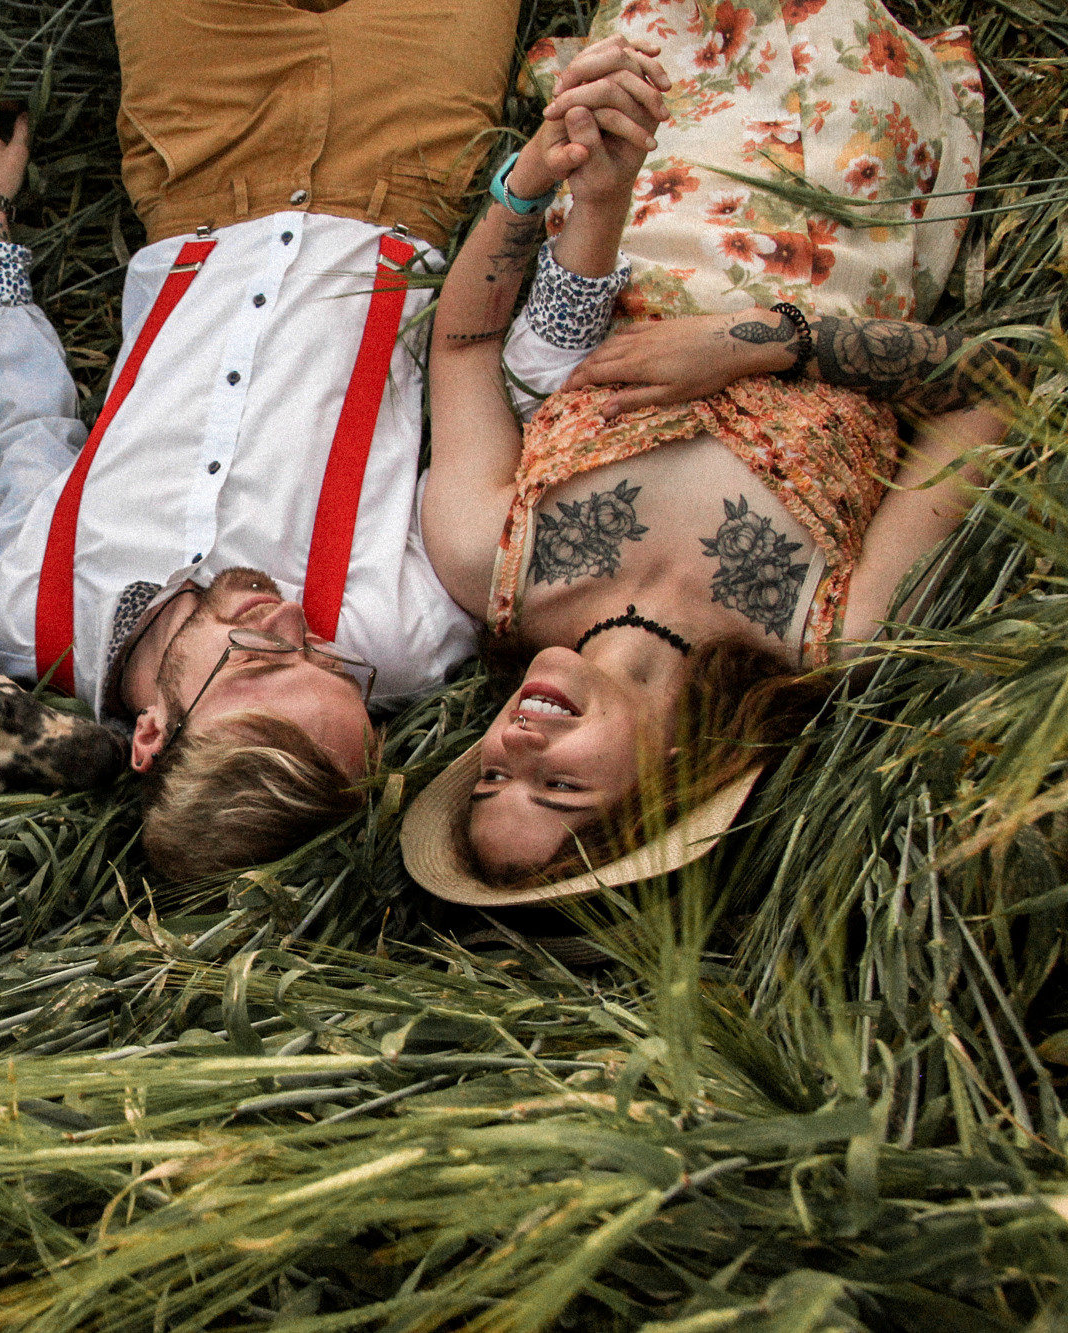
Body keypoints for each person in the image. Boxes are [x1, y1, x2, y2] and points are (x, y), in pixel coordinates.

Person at [0, 0, 672, 879]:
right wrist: (589, 207)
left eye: (258, 664)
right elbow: (511, 400)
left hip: (197, 162)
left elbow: (21, 424)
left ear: (149, 734)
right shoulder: (402, 634)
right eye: (325, 661)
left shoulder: (22, 606)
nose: (289, 618)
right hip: (409, 164)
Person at [404, 0, 1014, 906]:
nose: (515, 748)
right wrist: (768, 342)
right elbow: (991, 387)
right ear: (673, 775)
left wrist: (535, 179)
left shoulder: (486, 556)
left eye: (491, 778)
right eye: (560, 785)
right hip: (838, 217)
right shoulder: (831, 630)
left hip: (643, 179)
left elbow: (461, 348)